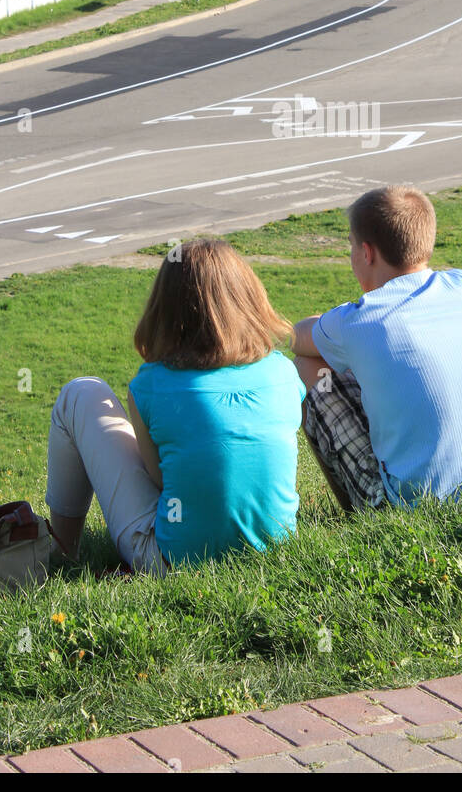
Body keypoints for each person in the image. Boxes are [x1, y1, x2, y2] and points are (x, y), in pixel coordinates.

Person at [45, 240, 305, 573]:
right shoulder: (284, 371)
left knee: (81, 392)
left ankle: (62, 552)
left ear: (164, 309)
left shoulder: (150, 385)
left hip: (175, 561)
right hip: (275, 551)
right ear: (250, 297)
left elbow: (159, 480)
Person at [292, 185, 462, 513]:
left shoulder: (358, 319)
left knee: (307, 365)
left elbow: (298, 338)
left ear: (367, 253)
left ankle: (358, 514)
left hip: (414, 508)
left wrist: (334, 324)